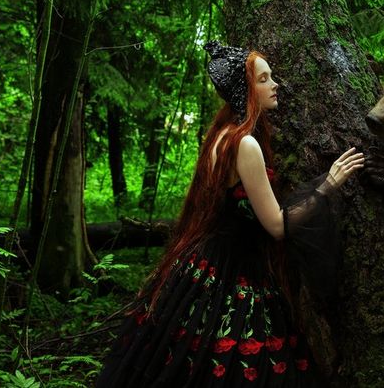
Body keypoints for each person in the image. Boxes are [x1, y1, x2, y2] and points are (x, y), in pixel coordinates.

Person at [97, 41, 364, 387]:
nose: (275, 85)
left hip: (202, 268)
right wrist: (328, 184)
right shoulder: (245, 144)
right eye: (264, 79)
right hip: (233, 274)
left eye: (271, 78)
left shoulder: (220, 137)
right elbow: (278, 226)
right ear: (245, 89)